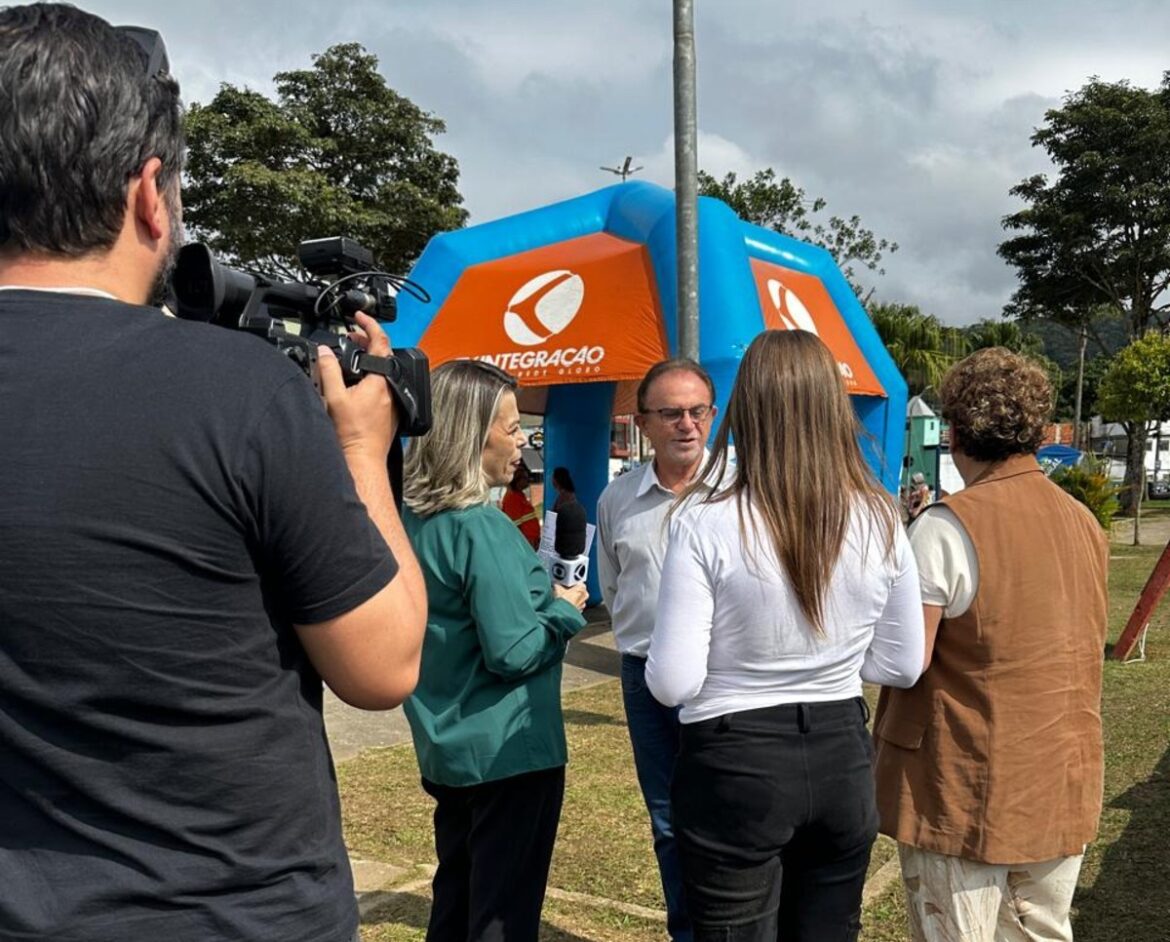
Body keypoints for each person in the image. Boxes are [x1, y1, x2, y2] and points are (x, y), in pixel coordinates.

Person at [0, 7, 427, 942]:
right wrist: (362, 450)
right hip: (230, 915)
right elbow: (384, 664)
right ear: (148, 194)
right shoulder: (236, 392)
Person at [646, 330, 925, 942]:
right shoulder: (880, 515)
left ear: (745, 409)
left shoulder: (704, 522)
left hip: (734, 758)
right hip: (840, 750)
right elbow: (904, 664)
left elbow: (672, 683)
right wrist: (834, 659)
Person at [873, 348, 1109, 942]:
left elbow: (906, 661)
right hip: (1061, 774)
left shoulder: (947, 524)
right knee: (1042, 931)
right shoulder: (1083, 521)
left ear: (955, 433)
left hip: (964, 781)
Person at [401, 360, 589, 942]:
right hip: (509, 751)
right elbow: (513, 650)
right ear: (471, 434)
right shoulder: (480, 527)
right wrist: (565, 608)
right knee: (501, 912)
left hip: (447, 746)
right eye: (512, 428)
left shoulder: (412, 519)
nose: (523, 442)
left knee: (456, 899)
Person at [595, 357, 720, 941]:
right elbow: (614, 587)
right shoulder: (617, 499)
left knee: (732, 813)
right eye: (671, 413)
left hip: (725, 676)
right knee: (668, 818)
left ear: (713, 415)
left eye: (698, 411)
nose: (687, 425)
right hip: (645, 676)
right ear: (642, 422)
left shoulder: (741, 492)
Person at [501, 461, 542, 549]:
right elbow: (514, 525)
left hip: (530, 541)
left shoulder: (519, 495)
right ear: (517, 480)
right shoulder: (512, 498)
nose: (528, 480)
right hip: (526, 543)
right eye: (525, 478)